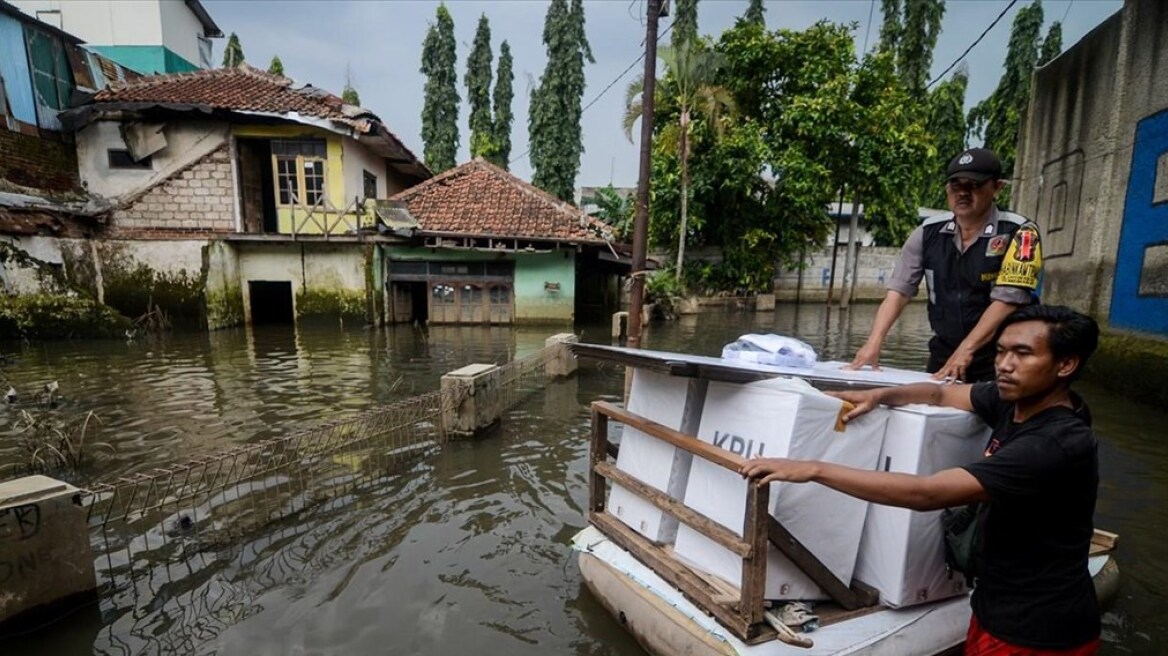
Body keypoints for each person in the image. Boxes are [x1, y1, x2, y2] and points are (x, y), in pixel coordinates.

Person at [741, 304, 1101, 655]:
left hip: (1037, 627)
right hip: (997, 603)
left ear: (1065, 364)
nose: (1005, 365)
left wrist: (814, 469)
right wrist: (879, 396)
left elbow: (926, 493)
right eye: (1002, 351)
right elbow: (940, 392)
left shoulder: (1053, 443)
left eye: (1023, 354)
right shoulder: (1015, 401)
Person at [847, 147, 1044, 383]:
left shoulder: (1021, 232)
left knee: (999, 414)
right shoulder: (928, 233)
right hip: (945, 350)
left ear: (997, 188)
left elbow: (1008, 300)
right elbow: (898, 292)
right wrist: (874, 342)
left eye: (973, 186)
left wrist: (966, 350)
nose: (962, 193)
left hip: (1004, 355)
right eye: (955, 186)